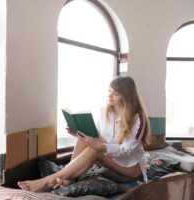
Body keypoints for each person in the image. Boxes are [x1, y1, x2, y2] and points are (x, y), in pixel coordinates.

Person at [18, 75, 150, 192]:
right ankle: (70, 178)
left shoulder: (137, 118)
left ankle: (46, 181)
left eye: (115, 93)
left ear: (126, 96)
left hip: (130, 168)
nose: (110, 95)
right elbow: (98, 136)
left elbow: (126, 150)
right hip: (111, 161)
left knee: (95, 149)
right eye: (109, 91)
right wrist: (78, 133)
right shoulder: (105, 112)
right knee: (84, 141)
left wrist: (100, 147)